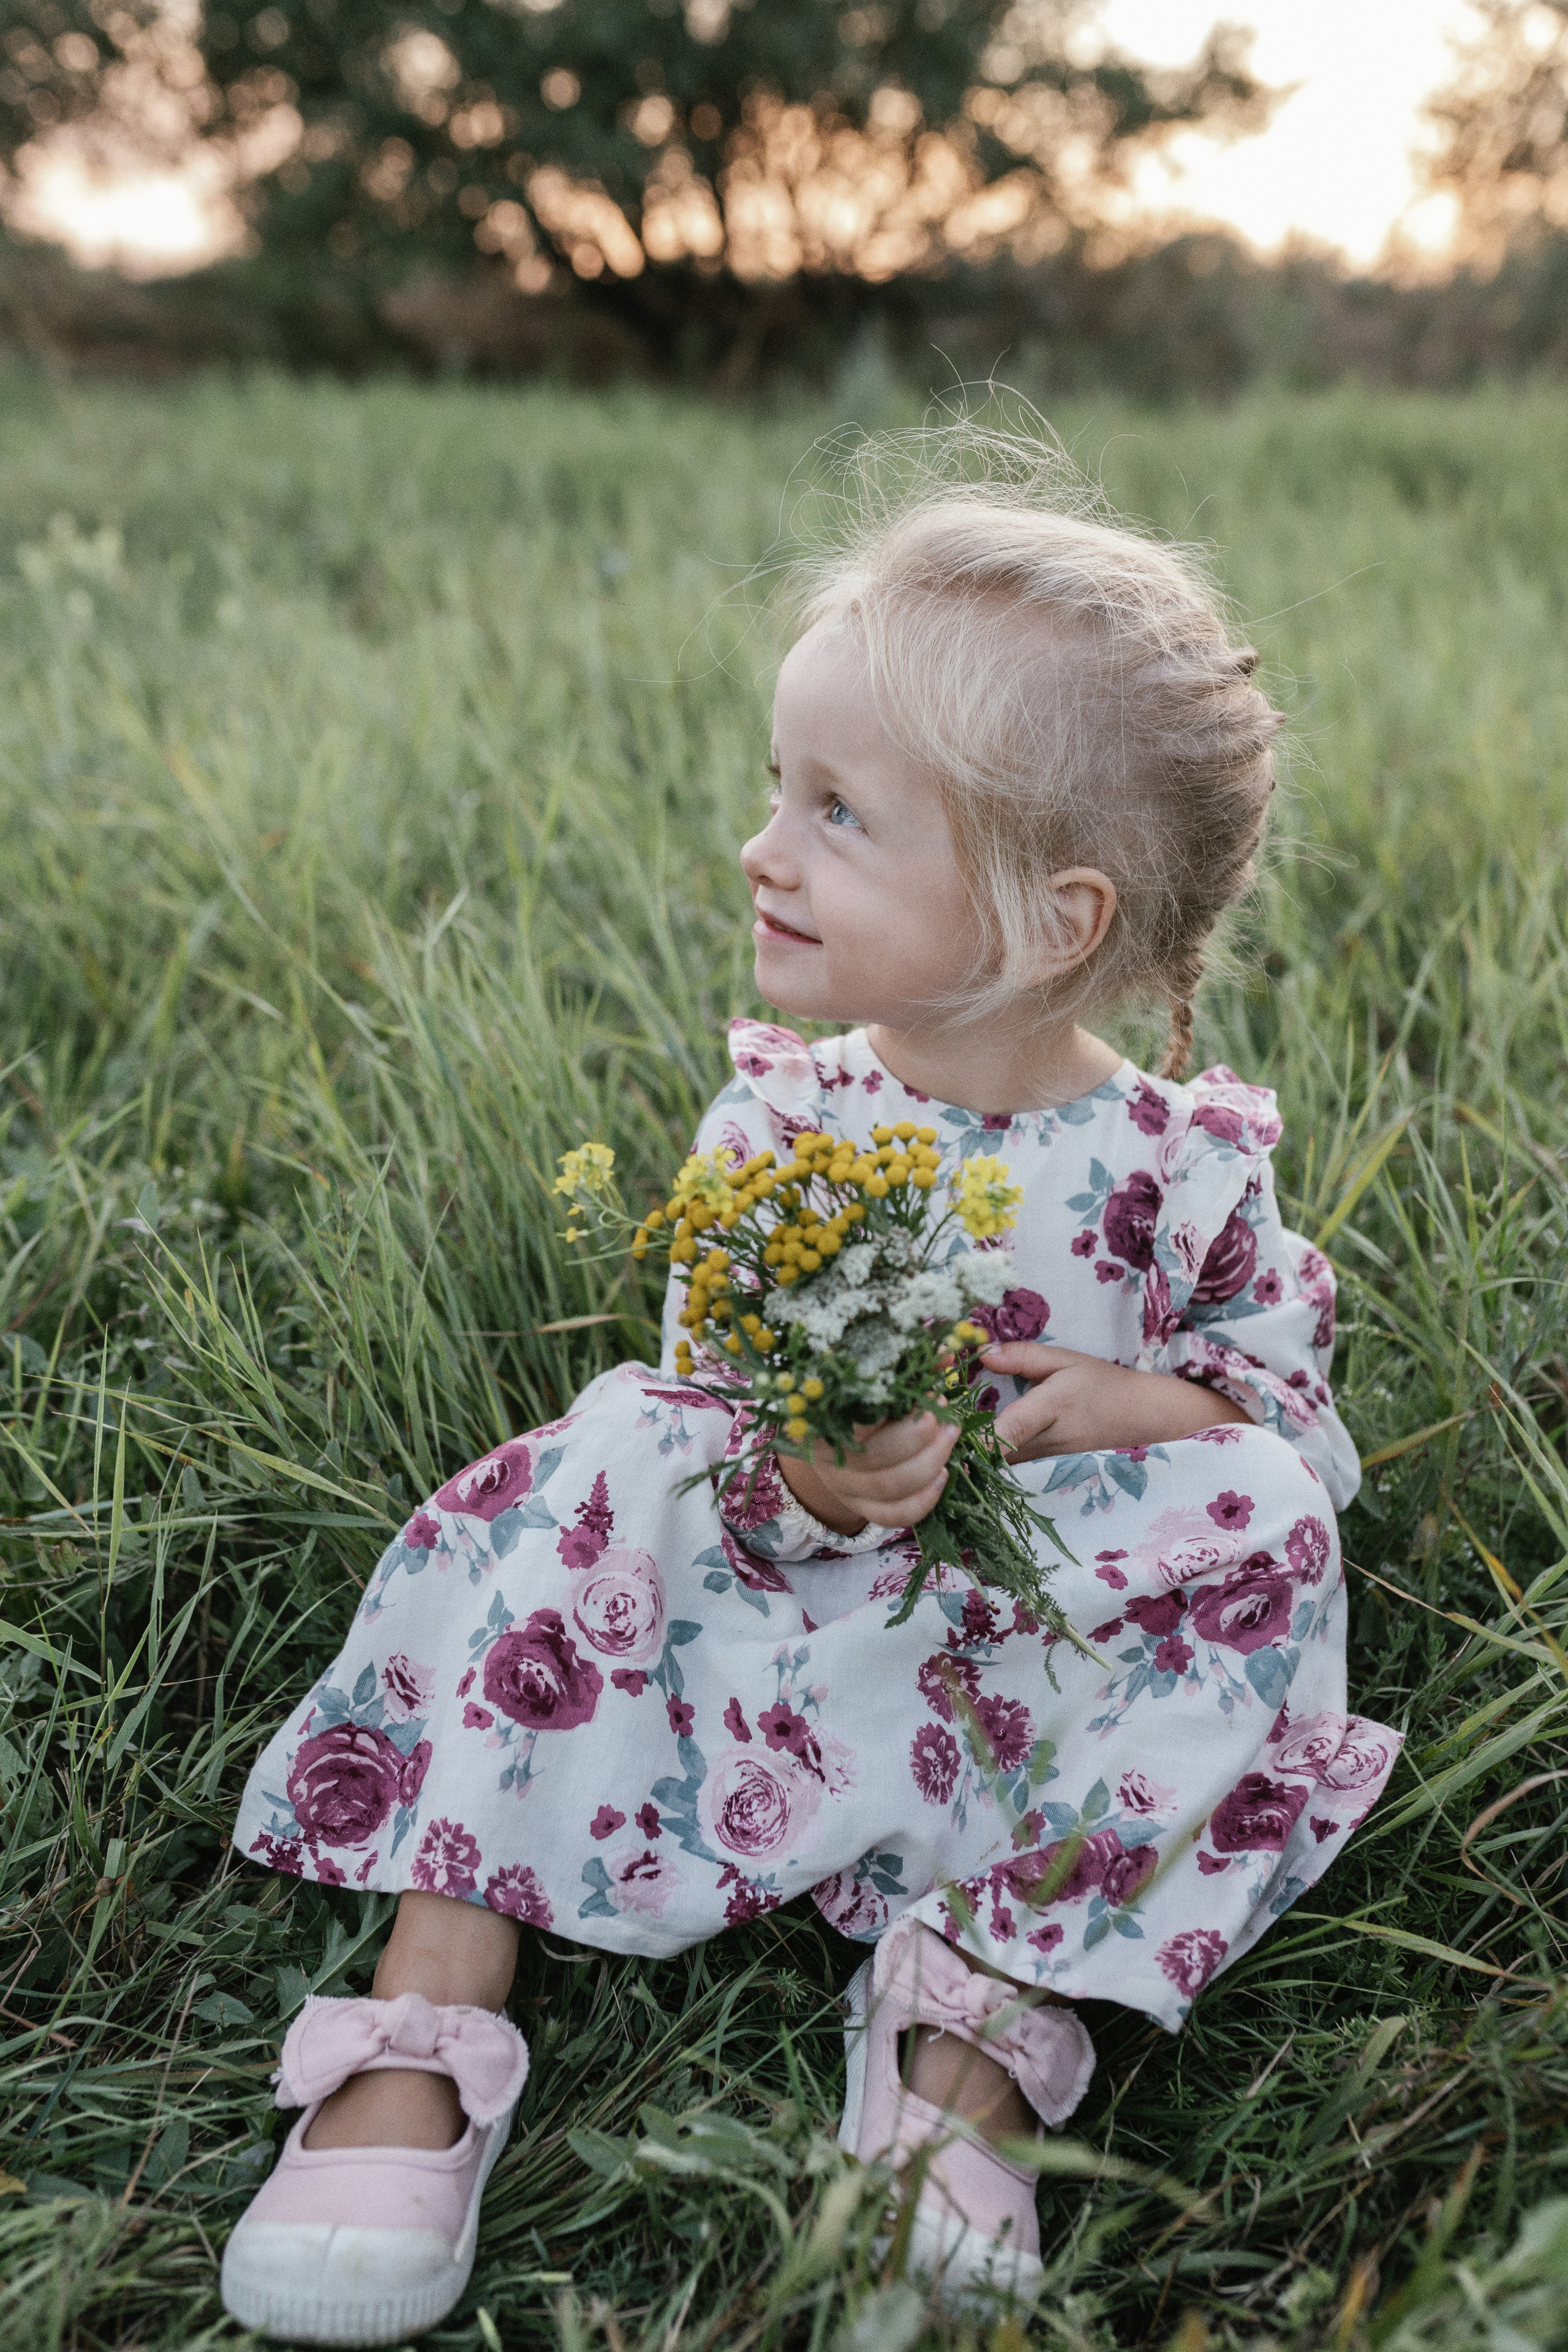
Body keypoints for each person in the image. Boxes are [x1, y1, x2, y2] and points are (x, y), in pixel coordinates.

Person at [220, 432, 1400, 2344]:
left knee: (1270, 1532)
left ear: (1055, 919)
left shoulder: (1188, 1166)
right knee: (616, 1447)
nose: (765, 847)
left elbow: (1296, 1436)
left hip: (1033, 1644)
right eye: (784, 788)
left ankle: (971, 2031)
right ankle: (430, 2006)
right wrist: (812, 1475)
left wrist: (1135, 1406)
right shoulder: (791, 1109)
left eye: (840, 812)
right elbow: (719, 1385)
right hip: (779, 1604)